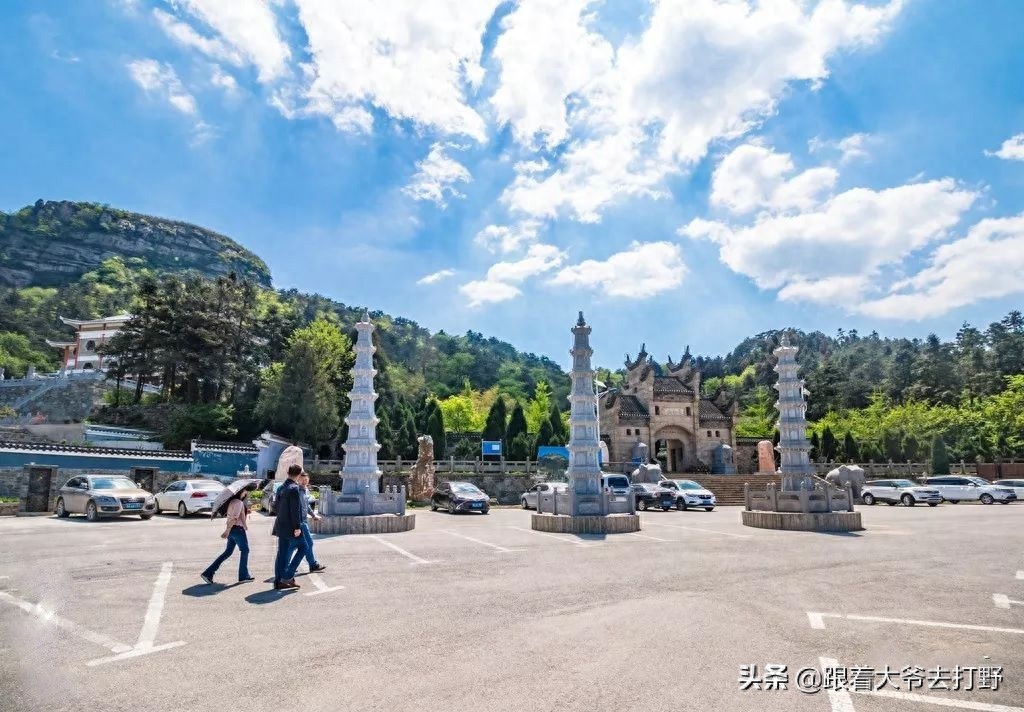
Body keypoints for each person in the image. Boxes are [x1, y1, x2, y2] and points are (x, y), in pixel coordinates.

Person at [200, 484, 256, 585]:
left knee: (228, 552)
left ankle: (208, 573)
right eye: (244, 491)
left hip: (233, 530)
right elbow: (234, 518)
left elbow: (236, 516)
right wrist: (227, 530)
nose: (246, 493)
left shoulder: (232, 502)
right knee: (245, 550)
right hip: (237, 530)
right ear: (241, 492)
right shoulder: (239, 503)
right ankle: (243, 576)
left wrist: (243, 523)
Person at [272, 464, 307, 590]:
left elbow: (276, 507)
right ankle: (288, 576)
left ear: (288, 472)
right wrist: (297, 527)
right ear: (299, 474)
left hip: (280, 524)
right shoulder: (294, 488)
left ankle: (279, 581)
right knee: (304, 547)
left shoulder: (281, 487)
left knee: (282, 554)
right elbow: (295, 510)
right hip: (291, 527)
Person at [289, 471, 326, 575]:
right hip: (299, 521)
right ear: (298, 479)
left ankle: (288, 565)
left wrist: (313, 515)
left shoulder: (304, 490)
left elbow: (307, 505)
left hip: (303, 520)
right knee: (307, 543)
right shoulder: (297, 491)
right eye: (302, 479)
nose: (305, 481)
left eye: (306, 479)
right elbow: (297, 508)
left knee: (294, 545)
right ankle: (312, 565)